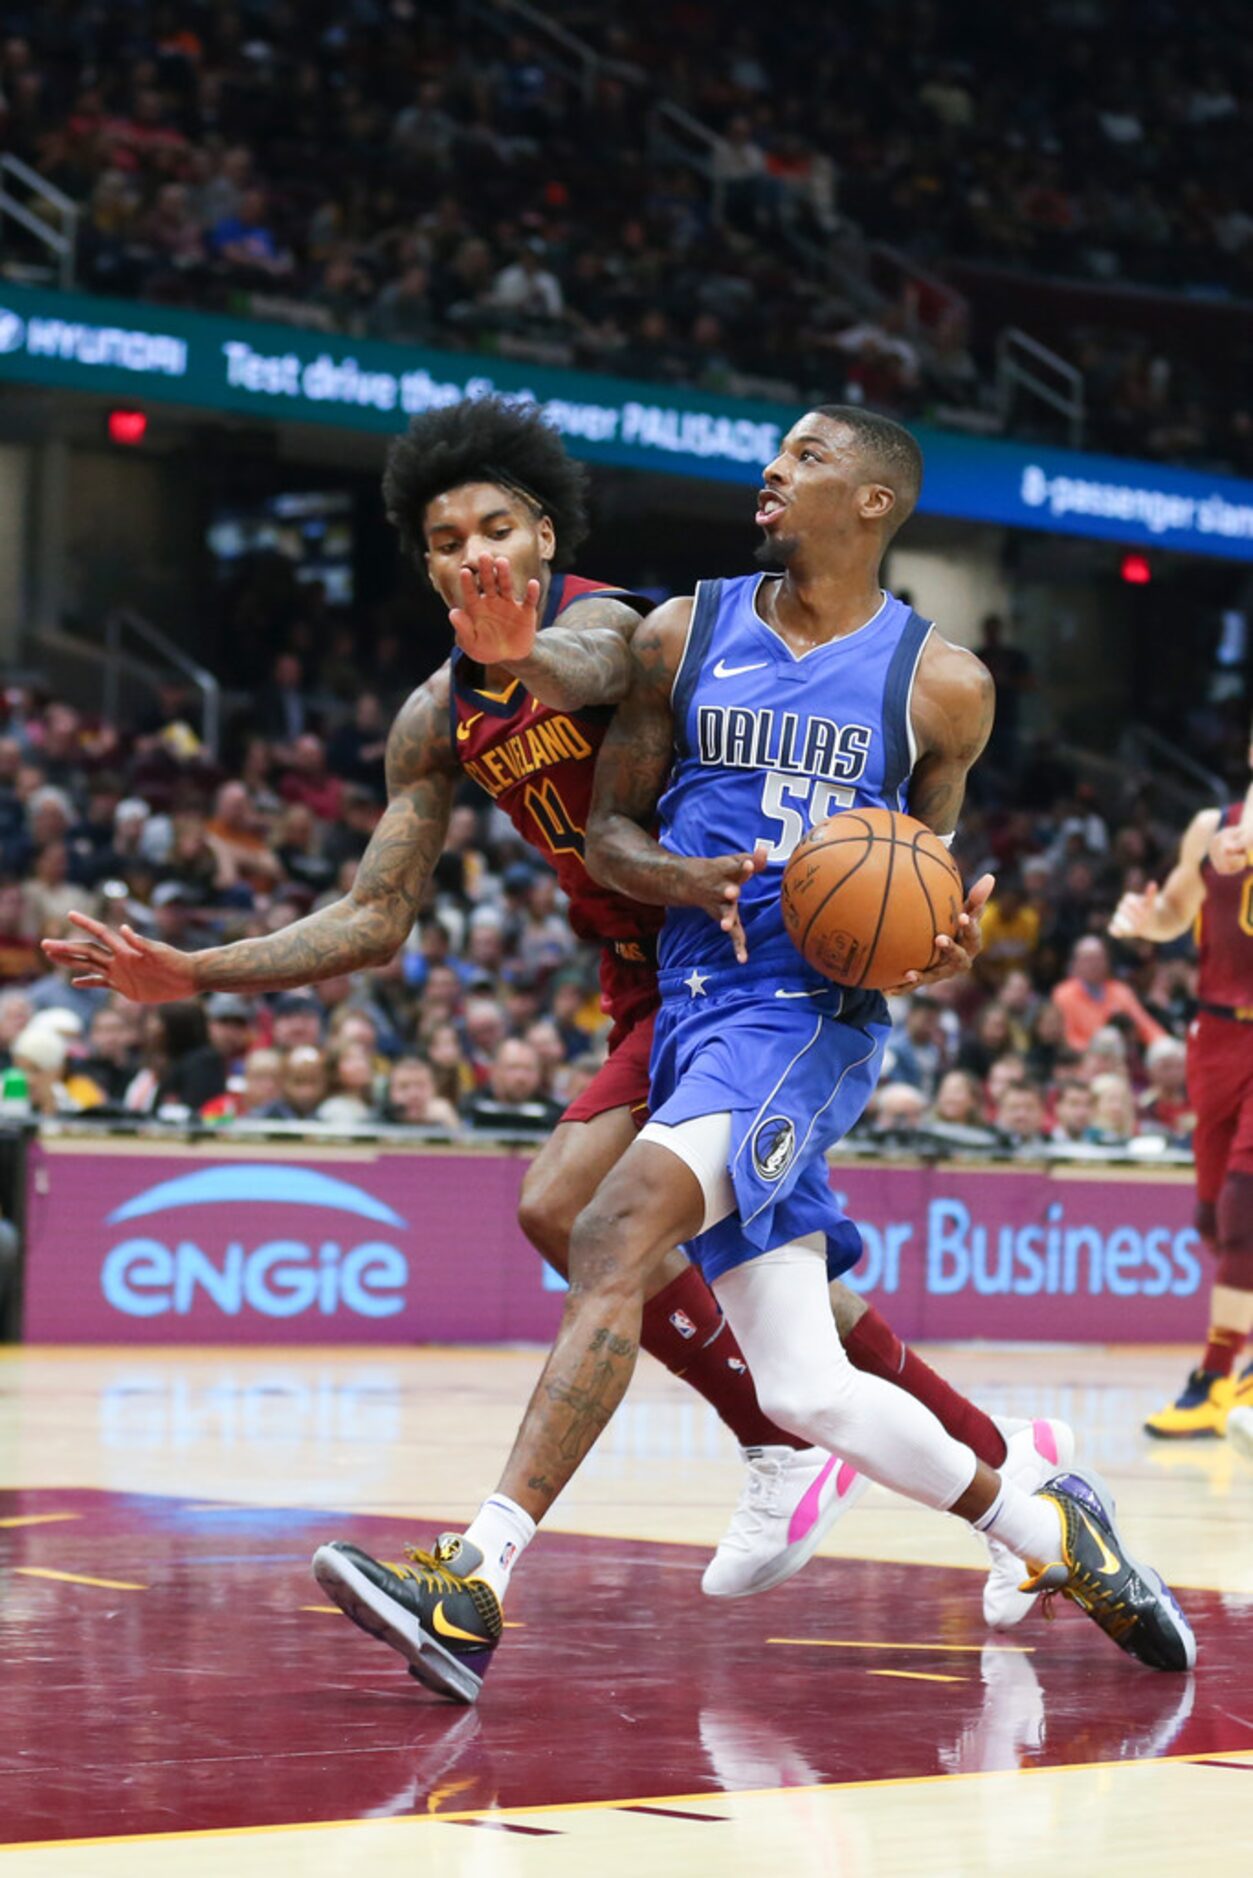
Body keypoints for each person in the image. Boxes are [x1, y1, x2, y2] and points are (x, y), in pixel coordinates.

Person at [44, 398, 1064, 1611]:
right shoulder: (437, 719)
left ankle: (756, 1477)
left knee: (587, 1218)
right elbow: (375, 919)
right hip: (654, 986)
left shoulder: (617, 628)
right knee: (766, 1294)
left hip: (753, 976)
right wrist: (195, 970)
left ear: (540, 532)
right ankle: (1007, 1481)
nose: (470, 553)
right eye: (441, 539)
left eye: (492, 527)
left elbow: (575, 666)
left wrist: (519, 650)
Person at [305, 405, 1191, 1695]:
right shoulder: (683, 630)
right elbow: (609, 838)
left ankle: (471, 1583)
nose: (772, 472)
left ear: (875, 502)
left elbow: (921, 886)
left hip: (803, 1020)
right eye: (773, 453)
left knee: (606, 1230)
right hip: (694, 1006)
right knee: (804, 1387)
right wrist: (675, 865)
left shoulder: (941, 685)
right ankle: (1048, 1521)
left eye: (808, 457)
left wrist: (934, 941)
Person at [1110, 740, 1253, 1440]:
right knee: (1209, 1216)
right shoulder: (1209, 826)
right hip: (1216, 1034)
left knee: (1241, 1206)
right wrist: (1146, 923)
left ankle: (1214, 1375)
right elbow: (1173, 911)